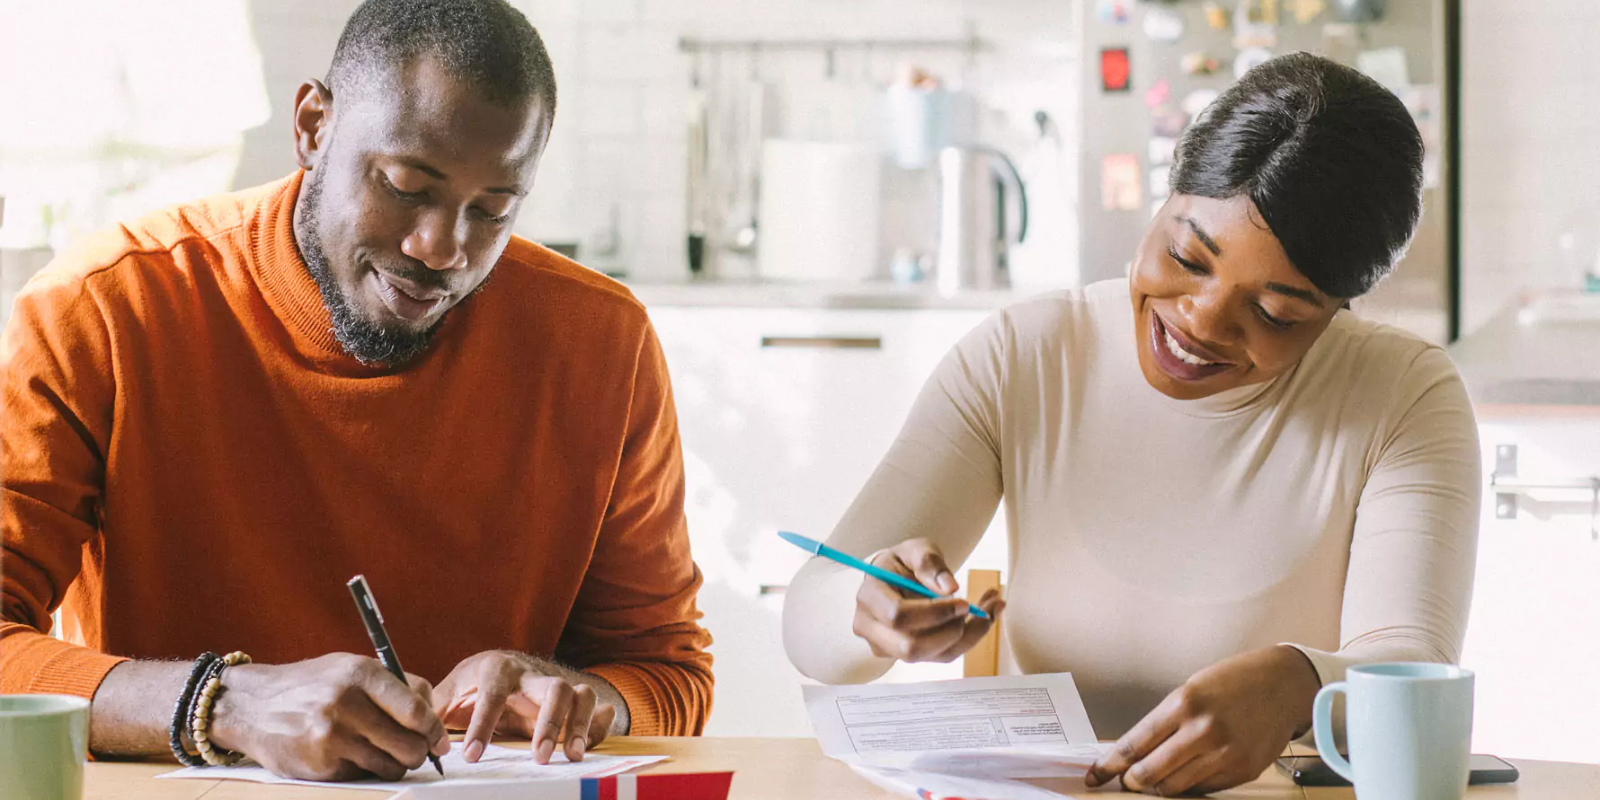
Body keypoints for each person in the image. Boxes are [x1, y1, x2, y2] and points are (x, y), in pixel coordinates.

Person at [0, 0, 711, 782]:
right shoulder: (104, 308)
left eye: (493, 210)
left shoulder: (601, 341)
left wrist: (580, 695)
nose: (441, 249)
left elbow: (668, 674)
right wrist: (226, 704)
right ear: (312, 126)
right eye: (406, 185)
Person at [783, 52, 1478, 796]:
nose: (1200, 320)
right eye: (1186, 255)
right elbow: (808, 628)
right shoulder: (1029, 354)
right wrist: (868, 611)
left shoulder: (1402, 396)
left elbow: (1413, 666)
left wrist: (1300, 684)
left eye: (1274, 312)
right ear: (1166, 194)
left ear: (1339, 310)